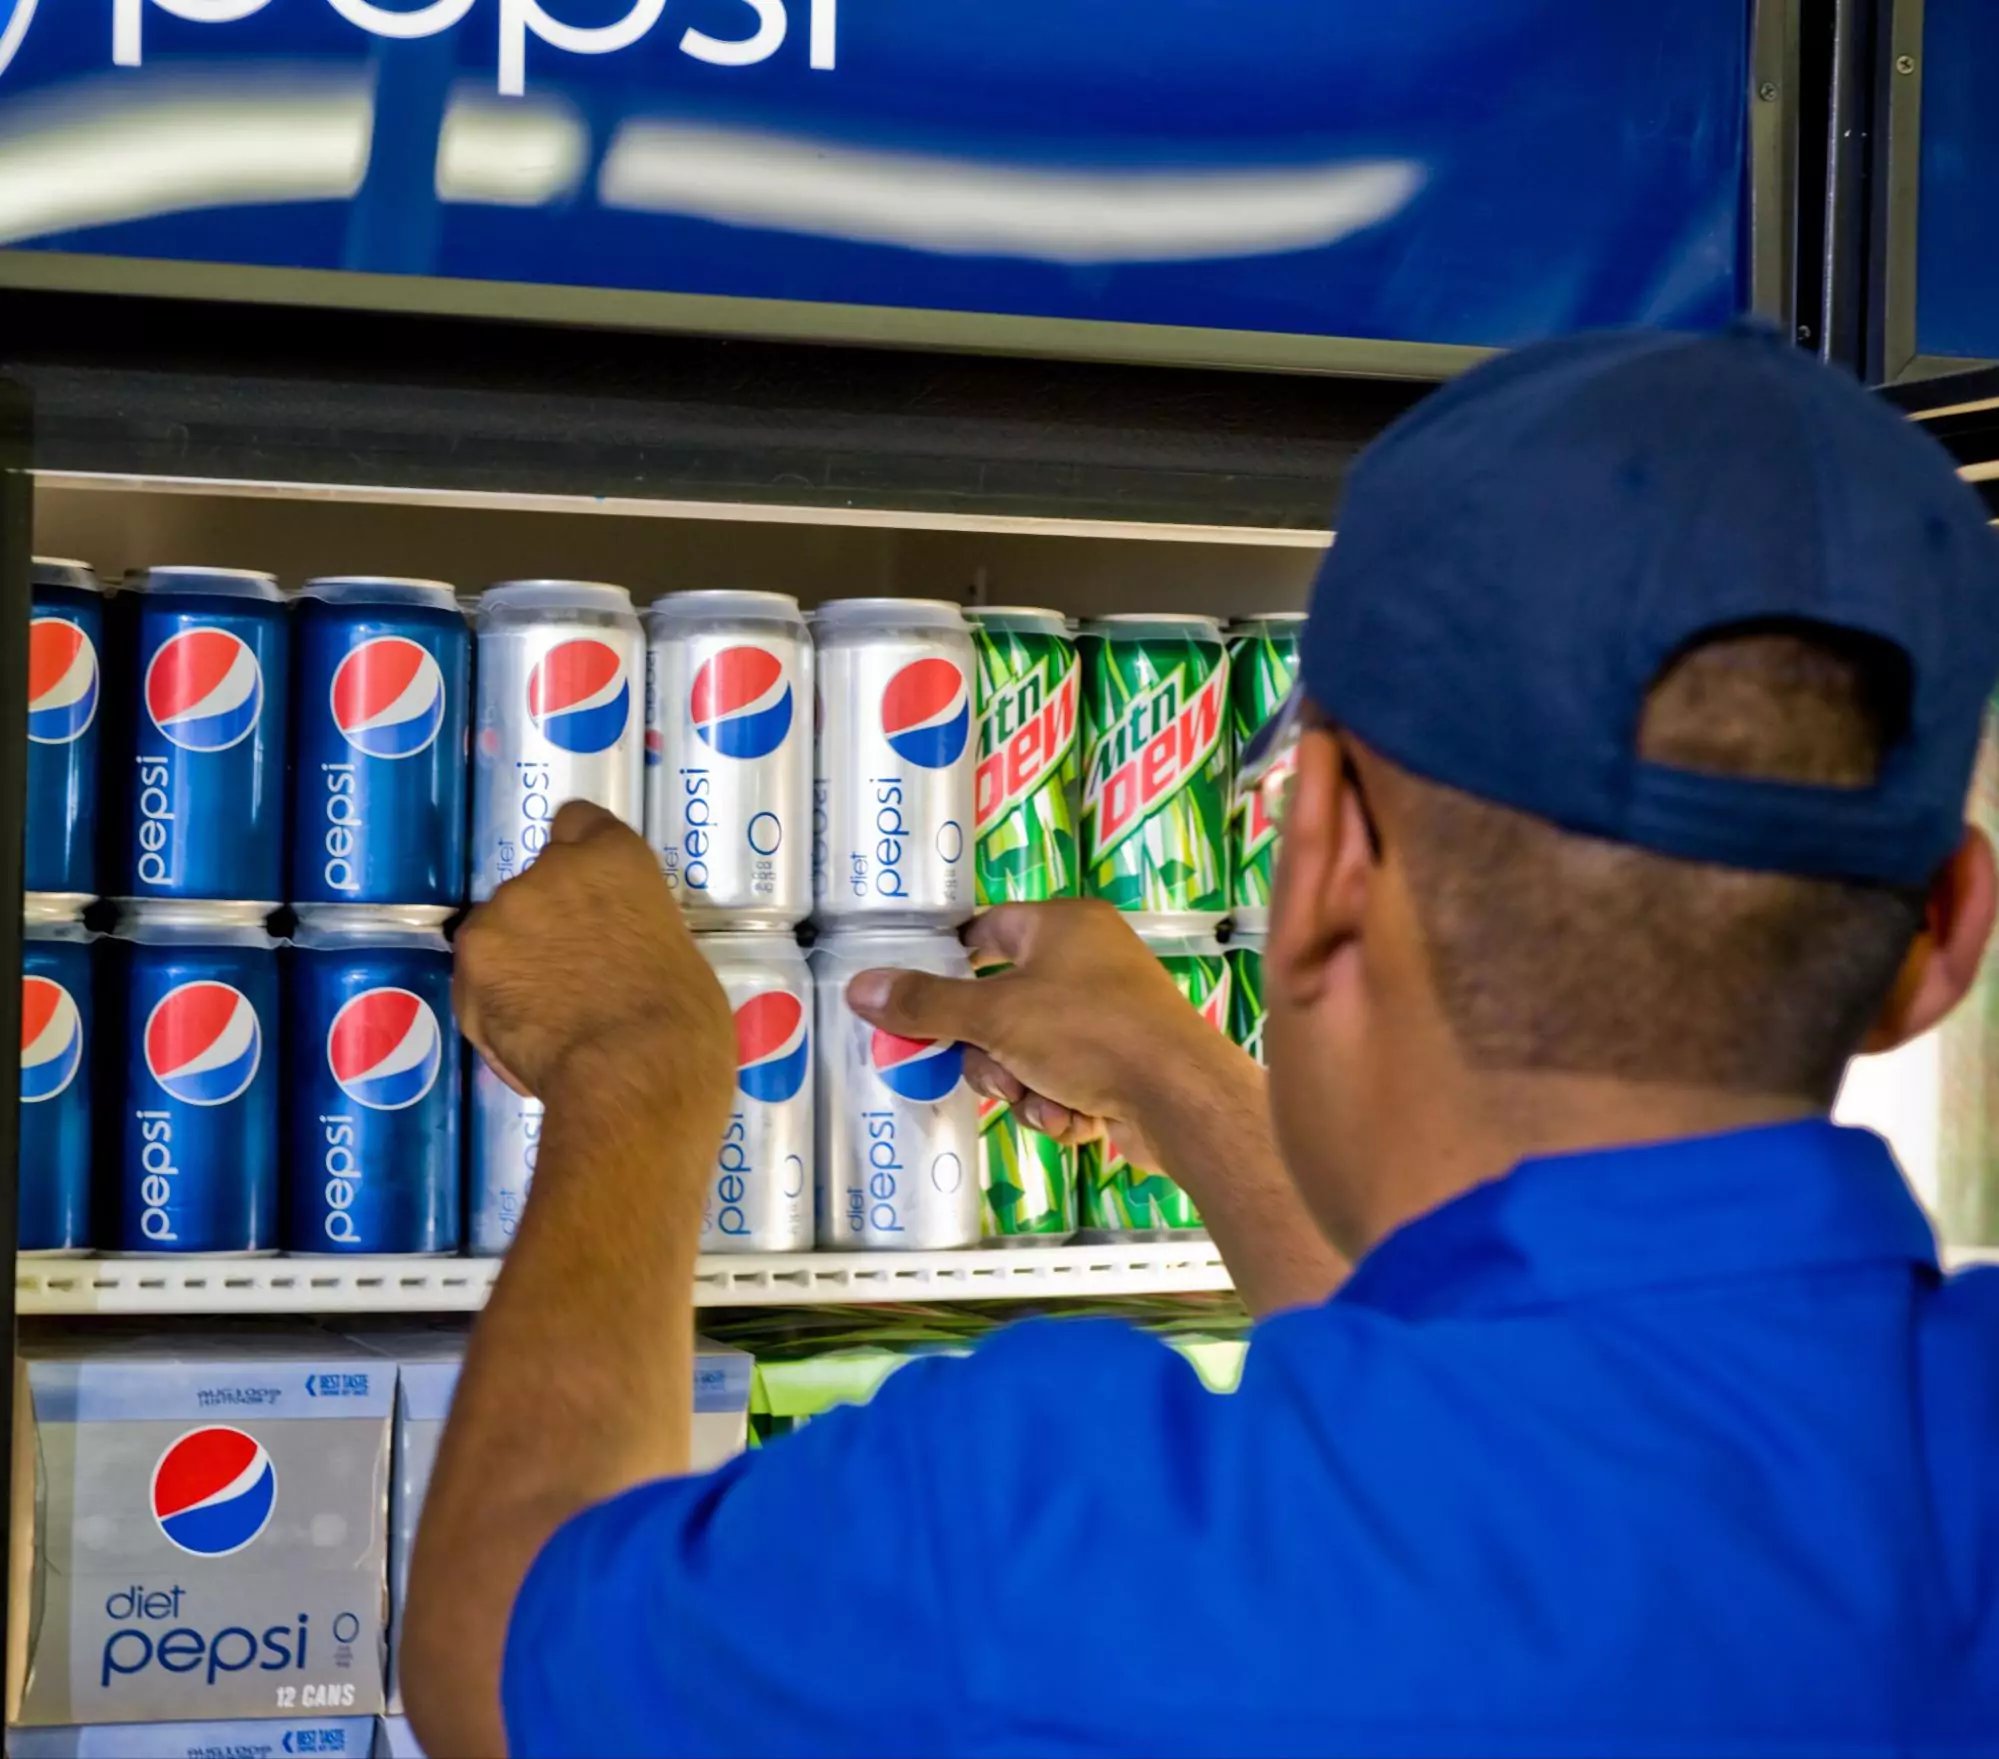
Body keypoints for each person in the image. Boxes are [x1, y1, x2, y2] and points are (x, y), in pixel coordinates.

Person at [402, 324, 1999, 1759]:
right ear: (1943, 938)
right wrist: (1178, 1078)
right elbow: (1529, 1436)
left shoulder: (1027, 1536)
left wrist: (644, 1064)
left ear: (1318, 870)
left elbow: (495, 1655)